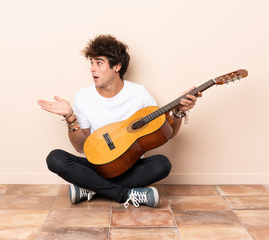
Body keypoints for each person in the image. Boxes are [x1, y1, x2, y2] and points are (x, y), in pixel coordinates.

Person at [37, 34, 201, 208]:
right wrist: (70, 117)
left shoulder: (139, 94)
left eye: (99, 63)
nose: (92, 69)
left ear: (117, 66)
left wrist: (178, 113)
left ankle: (91, 188)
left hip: (130, 165)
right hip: (96, 166)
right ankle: (125, 195)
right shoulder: (83, 97)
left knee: (162, 163)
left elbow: (168, 132)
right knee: (55, 158)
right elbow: (80, 147)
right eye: (91, 63)